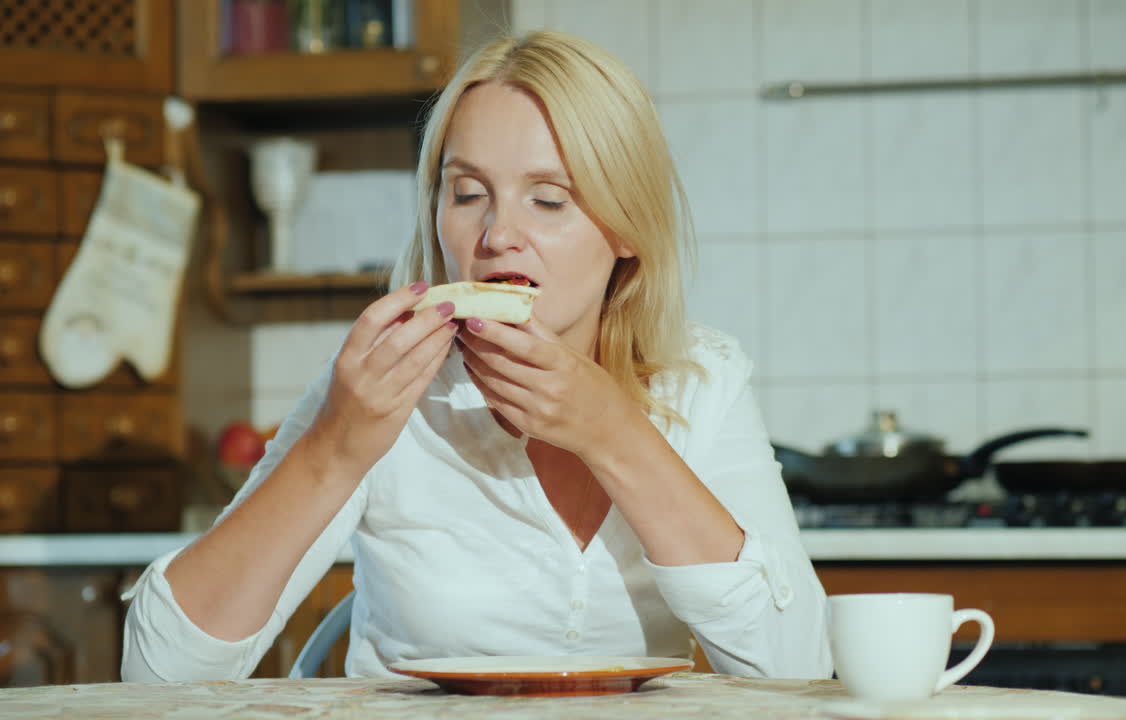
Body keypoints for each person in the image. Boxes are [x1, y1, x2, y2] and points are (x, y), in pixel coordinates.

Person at [121, 30, 832, 681]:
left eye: (548, 200)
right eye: (467, 194)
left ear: (625, 229)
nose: (497, 234)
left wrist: (613, 433)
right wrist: (335, 448)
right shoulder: (382, 386)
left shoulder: (701, 382)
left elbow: (799, 669)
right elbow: (157, 678)